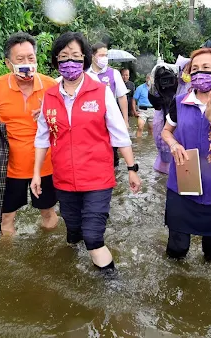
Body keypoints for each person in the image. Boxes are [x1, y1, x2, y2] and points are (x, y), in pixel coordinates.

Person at [31, 32, 142, 272]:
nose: (69, 62)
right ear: (56, 61)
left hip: (97, 178)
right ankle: (73, 272)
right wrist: (36, 174)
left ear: (84, 59)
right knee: (73, 233)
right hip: (64, 179)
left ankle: (112, 288)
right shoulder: (48, 96)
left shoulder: (100, 92)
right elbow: (42, 138)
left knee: (92, 236)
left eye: (75, 56)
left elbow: (119, 134)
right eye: (63, 57)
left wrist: (132, 169)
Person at [161, 48, 211, 262]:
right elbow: (166, 132)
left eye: (207, 68)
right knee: (176, 250)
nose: (200, 73)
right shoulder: (179, 102)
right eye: (194, 69)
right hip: (183, 183)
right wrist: (174, 144)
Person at [0, 32, 59, 236]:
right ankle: (8, 260)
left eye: (31, 58)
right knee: (6, 218)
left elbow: (65, 126)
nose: (27, 63)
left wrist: (48, 115)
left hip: (45, 164)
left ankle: (46, 257)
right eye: (20, 59)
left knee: (48, 213)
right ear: (8, 63)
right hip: (10, 167)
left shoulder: (52, 86)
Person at [88, 42, 130, 167]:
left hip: (110, 119)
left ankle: (114, 181)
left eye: (106, 55)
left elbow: (122, 97)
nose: (104, 58)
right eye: (101, 55)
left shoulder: (114, 74)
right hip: (91, 120)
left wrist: (125, 121)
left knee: (112, 152)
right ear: (93, 56)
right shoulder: (85, 73)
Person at [148, 64, 179, 174]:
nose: (166, 83)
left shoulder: (180, 94)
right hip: (161, 120)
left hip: (174, 122)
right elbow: (154, 102)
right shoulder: (155, 93)